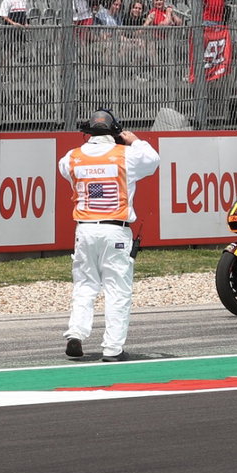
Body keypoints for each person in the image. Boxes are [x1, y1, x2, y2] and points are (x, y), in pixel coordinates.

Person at [59, 110, 160, 362]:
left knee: (84, 284)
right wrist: (134, 140)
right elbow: (153, 159)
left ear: (88, 131)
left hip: (84, 229)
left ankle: (76, 333)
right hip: (115, 229)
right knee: (117, 289)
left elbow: (64, 171)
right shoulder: (126, 155)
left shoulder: (71, 157)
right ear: (114, 131)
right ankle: (113, 348)